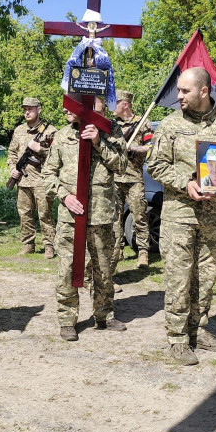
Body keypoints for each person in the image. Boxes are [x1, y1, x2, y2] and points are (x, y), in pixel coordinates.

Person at [147, 67, 216, 366]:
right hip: (179, 214)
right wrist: (185, 182)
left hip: (214, 216)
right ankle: (178, 338)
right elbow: (155, 165)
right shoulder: (170, 125)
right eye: (179, 90)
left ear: (203, 91)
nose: (179, 96)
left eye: (184, 91)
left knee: (206, 275)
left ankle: (198, 329)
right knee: (179, 277)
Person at [43, 99, 128, 341]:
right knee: (68, 269)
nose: (65, 109)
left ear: (92, 109)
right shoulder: (63, 135)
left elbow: (122, 166)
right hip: (71, 217)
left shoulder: (112, 131)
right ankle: (67, 320)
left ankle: (104, 315)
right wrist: (64, 195)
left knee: (103, 268)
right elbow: (48, 174)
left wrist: (98, 142)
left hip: (101, 215)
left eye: (74, 104)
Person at [7, 97, 57, 257]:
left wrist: (40, 149)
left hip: (42, 181)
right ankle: (28, 244)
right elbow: (12, 153)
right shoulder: (19, 130)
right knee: (24, 214)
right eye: (25, 109)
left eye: (30, 109)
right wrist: (12, 169)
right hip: (23, 181)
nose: (27, 112)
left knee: (45, 214)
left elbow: (57, 156)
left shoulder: (50, 131)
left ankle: (49, 246)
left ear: (38, 110)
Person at [110, 89, 154, 273]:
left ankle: (143, 251)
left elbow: (151, 148)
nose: (111, 107)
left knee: (139, 215)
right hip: (115, 178)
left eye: (115, 103)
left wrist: (135, 148)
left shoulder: (142, 123)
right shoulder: (112, 125)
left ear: (125, 104)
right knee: (115, 217)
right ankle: (117, 250)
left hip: (134, 178)